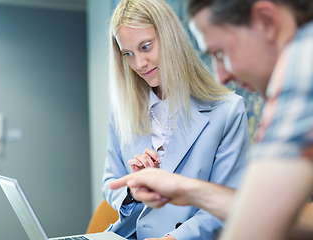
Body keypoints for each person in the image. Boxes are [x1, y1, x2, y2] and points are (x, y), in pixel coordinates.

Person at [110, 0, 313, 239]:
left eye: (220, 52)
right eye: (128, 54)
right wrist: (187, 189)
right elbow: (285, 216)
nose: (222, 76)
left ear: (266, 21)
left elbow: (258, 222)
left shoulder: (304, 61)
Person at [102, 0, 250, 239]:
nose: (138, 64)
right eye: (128, 54)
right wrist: (133, 191)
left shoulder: (228, 111)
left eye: (146, 47)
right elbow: (111, 181)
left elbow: (229, 203)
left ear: (170, 37)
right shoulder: (122, 110)